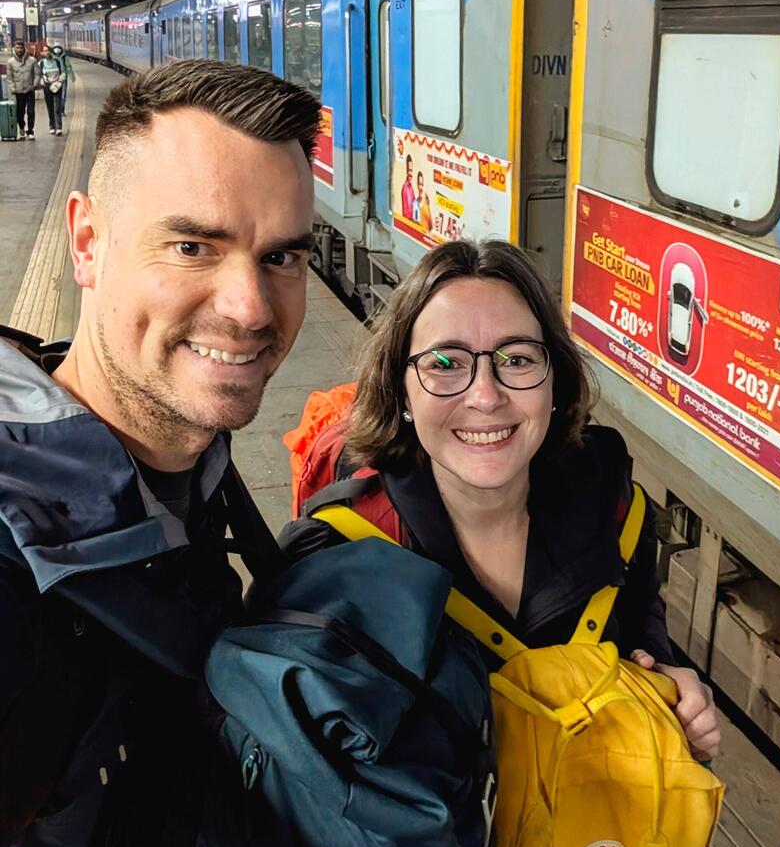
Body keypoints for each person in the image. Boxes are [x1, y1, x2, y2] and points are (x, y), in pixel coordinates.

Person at [0, 59, 320, 847]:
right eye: (192, 247)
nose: (251, 308)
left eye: (282, 256)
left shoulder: (190, 470)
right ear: (86, 242)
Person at [283, 238, 721, 764]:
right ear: (401, 392)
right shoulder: (335, 557)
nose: (486, 396)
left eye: (517, 359)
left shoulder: (616, 508)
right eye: (445, 363)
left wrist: (671, 693)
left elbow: (640, 627)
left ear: (554, 381)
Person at [6, 37, 39, 139]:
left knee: (31, 111)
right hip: (18, 91)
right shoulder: (10, 62)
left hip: (30, 90)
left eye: (21, 48)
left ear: (24, 48)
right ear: (14, 49)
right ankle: (21, 127)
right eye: (17, 48)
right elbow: (9, 77)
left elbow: (37, 74)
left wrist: (34, 85)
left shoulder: (32, 61)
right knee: (20, 112)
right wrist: (12, 88)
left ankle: (30, 131)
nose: (19, 50)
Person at [37, 41, 66, 135]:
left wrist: (59, 82)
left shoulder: (57, 61)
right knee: (50, 107)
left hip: (57, 86)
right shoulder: (41, 63)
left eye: (48, 50)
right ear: (42, 53)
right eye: (44, 51)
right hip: (47, 86)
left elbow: (63, 73)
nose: (46, 52)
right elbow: (38, 75)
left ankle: (59, 127)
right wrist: (42, 82)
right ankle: (52, 126)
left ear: (51, 51)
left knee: (57, 107)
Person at [51, 41, 74, 122]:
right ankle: (56, 110)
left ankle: (62, 110)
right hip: (54, 79)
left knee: (63, 95)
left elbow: (68, 67)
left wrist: (72, 76)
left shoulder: (65, 58)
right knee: (55, 95)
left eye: (58, 48)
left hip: (63, 78)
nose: (57, 49)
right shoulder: (51, 58)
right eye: (55, 48)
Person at [416, 169, 433, 234]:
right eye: (419, 184)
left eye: (422, 184)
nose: (420, 187)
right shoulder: (416, 204)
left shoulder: (426, 205)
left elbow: (430, 226)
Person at [401, 153, 416, 221]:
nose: (411, 173)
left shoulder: (411, 187)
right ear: (406, 170)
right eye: (409, 170)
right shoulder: (405, 188)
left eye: (411, 170)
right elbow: (407, 212)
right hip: (409, 221)